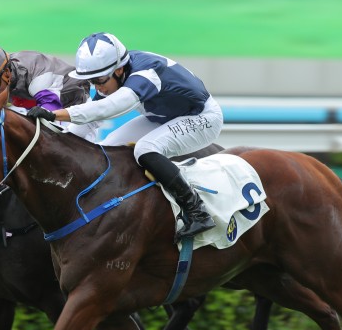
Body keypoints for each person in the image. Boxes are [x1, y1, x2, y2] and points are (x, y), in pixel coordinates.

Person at [26, 32, 221, 242]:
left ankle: (197, 211)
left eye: (99, 80)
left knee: (145, 149)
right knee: (105, 150)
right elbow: (90, 121)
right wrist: (58, 143)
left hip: (202, 118)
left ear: (119, 70)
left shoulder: (145, 74)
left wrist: (56, 114)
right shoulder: (112, 76)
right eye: (91, 81)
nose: (97, 86)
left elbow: (109, 108)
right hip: (161, 117)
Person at [0, 40, 98, 141]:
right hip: (31, 101)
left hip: (72, 110)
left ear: (6, 74)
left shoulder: (40, 78)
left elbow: (50, 125)